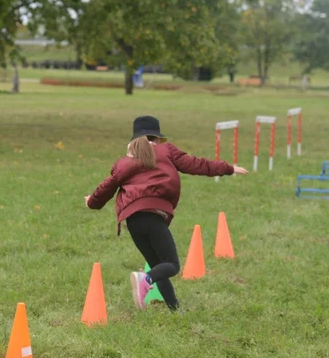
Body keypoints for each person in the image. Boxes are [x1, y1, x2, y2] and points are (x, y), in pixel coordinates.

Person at [84, 116, 248, 312]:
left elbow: (106, 187)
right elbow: (196, 164)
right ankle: (145, 278)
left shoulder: (123, 163)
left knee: (158, 265)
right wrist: (228, 168)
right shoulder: (166, 150)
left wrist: (91, 202)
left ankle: (175, 309)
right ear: (158, 138)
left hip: (133, 220)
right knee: (171, 264)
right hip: (153, 214)